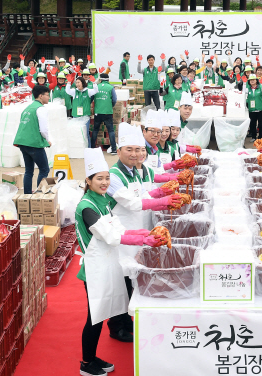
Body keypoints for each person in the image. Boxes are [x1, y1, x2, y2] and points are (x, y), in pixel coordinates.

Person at [76, 147, 164, 376]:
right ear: (88, 180)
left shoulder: (103, 200)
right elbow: (111, 236)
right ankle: (86, 363)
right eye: (99, 179)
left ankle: (92, 357)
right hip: (94, 268)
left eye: (107, 178)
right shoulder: (87, 207)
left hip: (107, 262)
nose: (105, 183)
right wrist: (142, 239)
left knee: (103, 312)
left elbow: (118, 226)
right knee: (94, 318)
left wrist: (143, 235)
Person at [104, 124, 180, 344]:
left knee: (133, 279)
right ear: (119, 151)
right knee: (121, 280)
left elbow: (145, 193)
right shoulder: (113, 175)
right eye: (129, 149)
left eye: (138, 150)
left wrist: (161, 192)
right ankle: (116, 326)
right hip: (124, 233)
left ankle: (127, 321)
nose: (135, 154)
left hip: (139, 231)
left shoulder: (137, 170)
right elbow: (131, 202)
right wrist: (161, 201)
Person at [13, 85, 52, 194]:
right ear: (41, 96)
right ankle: (40, 193)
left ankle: (27, 195)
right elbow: (43, 129)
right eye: (47, 95)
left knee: (29, 171)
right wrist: (47, 140)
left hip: (22, 142)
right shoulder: (41, 108)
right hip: (34, 143)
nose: (49, 97)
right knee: (44, 169)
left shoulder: (27, 108)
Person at [93, 73, 118, 153]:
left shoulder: (96, 87)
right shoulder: (111, 88)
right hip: (107, 112)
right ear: (108, 80)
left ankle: (92, 148)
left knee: (95, 130)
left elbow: (92, 98)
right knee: (110, 130)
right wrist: (110, 106)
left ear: (100, 80)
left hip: (98, 112)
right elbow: (114, 99)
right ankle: (114, 149)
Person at [245, 74, 262, 141]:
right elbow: (243, 92)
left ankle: (260, 137)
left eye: (254, 80)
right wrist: (243, 83)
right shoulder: (248, 89)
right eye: (251, 80)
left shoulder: (260, 87)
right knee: (252, 124)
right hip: (252, 109)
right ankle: (253, 137)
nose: (252, 81)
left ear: (257, 80)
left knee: (261, 124)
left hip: (261, 109)